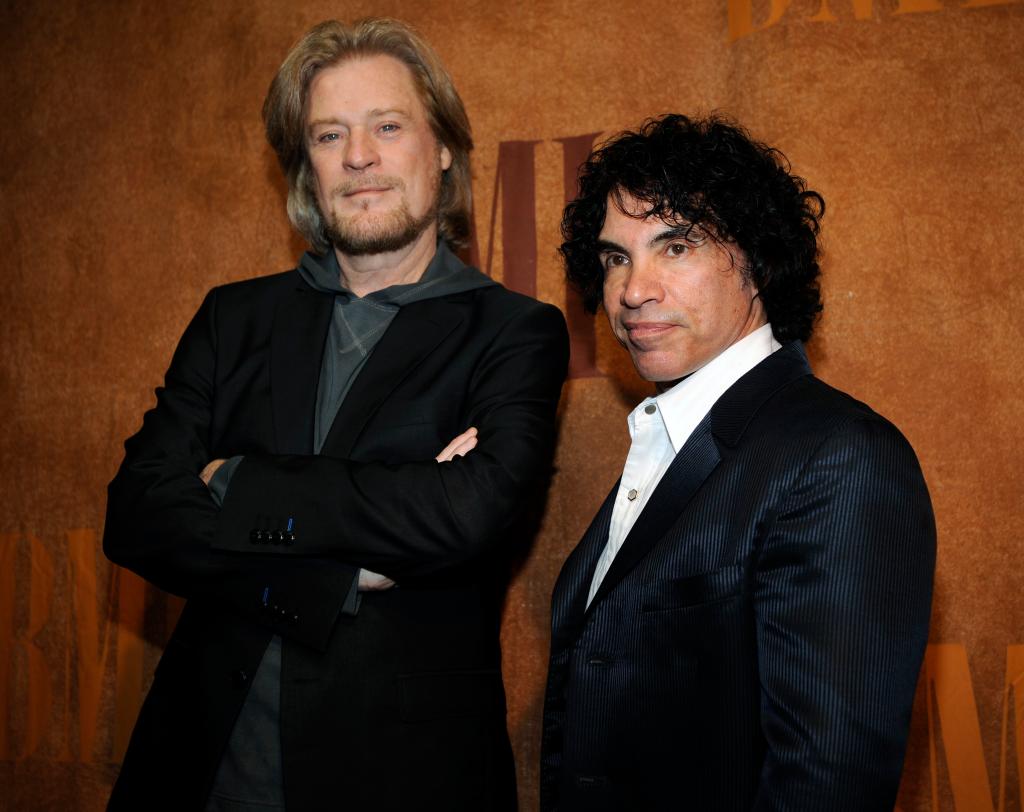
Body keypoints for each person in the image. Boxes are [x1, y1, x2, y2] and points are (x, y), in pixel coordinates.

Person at [103, 18, 568, 812]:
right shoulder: (232, 319)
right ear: (306, 166)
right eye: (329, 134)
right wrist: (337, 572)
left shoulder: (515, 332)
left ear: (445, 147)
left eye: (388, 126)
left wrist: (236, 479)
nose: (359, 157)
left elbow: (466, 513)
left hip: (403, 773)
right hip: (200, 766)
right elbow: (138, 513)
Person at [540, 114, 935, 811]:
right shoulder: (670, 440)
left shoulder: (841, 458)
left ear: (759, 259)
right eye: (614, 257)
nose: (633, 290)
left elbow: (825, 784)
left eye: (676, 245)